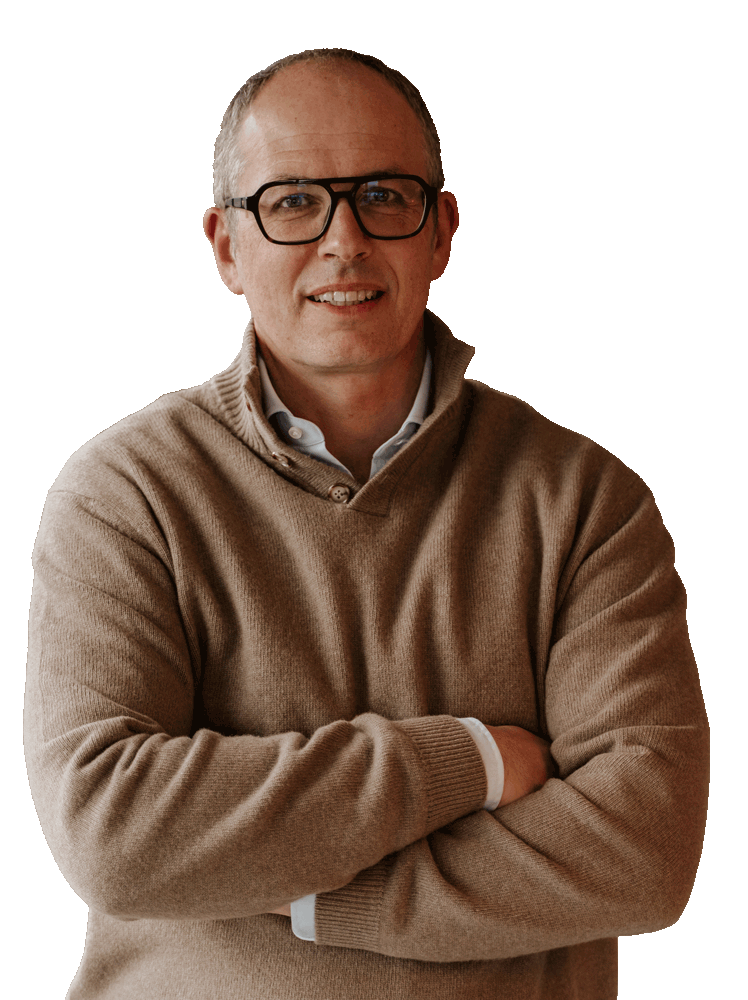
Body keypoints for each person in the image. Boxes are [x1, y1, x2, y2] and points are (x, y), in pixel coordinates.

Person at [24, 48, 709, 1000]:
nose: (343, 240)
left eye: (385, 196)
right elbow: (115, 835)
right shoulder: (124, 493)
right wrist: (469, 760)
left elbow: (643, 855)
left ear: (442, 233)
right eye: (294, 202)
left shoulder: (586, 501)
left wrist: (310, 894)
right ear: (226, 247)